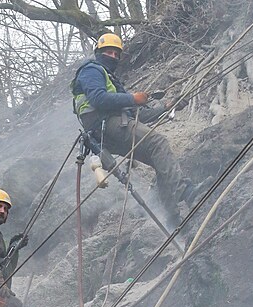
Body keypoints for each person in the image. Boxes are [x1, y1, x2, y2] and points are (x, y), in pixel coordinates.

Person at [71, 32, 210, 228]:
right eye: (108, 52)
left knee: (157, 157)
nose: (112, 56)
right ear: (98, 53)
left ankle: (172, 218)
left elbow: (136, 115)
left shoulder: (109, 79)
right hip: (105, 124)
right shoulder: (91, 71)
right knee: (157, 143)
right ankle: (185, 192)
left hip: (113, 125)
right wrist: (132, 98)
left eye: (115, 53)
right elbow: (98, 99)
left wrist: (167, 106)